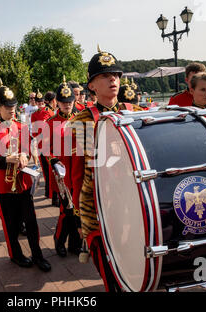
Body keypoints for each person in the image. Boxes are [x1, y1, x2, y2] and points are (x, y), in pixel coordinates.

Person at [68, 47, 124, 292]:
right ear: (91, 86)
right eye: (104, 76)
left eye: (115, 74)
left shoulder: (133, 113)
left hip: (132, 199)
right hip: (100, 203)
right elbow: (78, 171)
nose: (112, 79)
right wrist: (80, 213)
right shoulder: (82, 121)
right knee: (110, 270)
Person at [0, 82, 51, 272]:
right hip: (4, 186)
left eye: (13, 106)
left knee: (31, 222)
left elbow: (28, 149)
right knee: (10, 225)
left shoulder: (22, 127)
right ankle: (16, 255)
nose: (12, 110)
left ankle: (38, 255)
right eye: (7, 106)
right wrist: (5, 160)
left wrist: (24, 156)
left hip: (23, 184)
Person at [45, 78, 81, 257]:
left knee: (77, 209)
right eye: (63, 102)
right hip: (61, 174)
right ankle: (59, 241)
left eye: (70, 102)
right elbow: (45, 149)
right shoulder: (50, 122)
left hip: (79, 171)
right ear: (57, 102)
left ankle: (75, 244)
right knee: (66, 211)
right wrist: (53, 161)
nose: (67, 105)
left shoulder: (82, 118)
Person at [31, 90, 55, 202]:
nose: (40, 104)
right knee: (45, 169)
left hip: (51, 144)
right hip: (41, 143)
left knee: (52, 169)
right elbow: (34, 130)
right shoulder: (34, 114)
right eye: (38, 102)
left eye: (41, 102)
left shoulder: (49, 111)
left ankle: (53, 193)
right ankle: (48, 191)